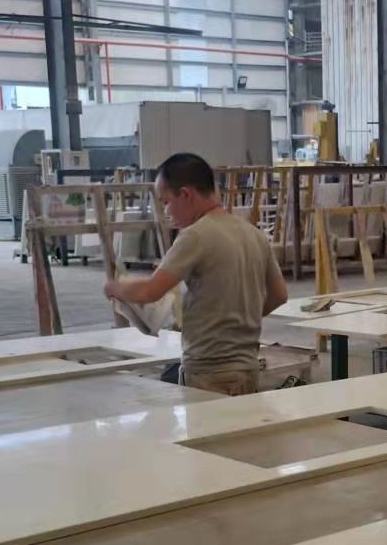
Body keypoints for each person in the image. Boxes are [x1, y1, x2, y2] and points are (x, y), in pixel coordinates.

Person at [102, 151, 286, 396]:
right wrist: (242, 317)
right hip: (247, 368)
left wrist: (115, 287)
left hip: (208, 371)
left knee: (208, 434)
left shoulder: (194, 236)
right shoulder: (253, 233)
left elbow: (151, 291)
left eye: (166, 201)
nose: (167, 211)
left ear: (186, 194)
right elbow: (280, 294)